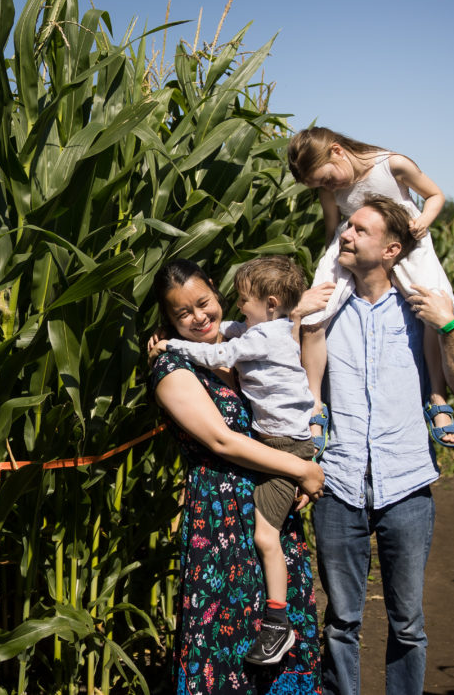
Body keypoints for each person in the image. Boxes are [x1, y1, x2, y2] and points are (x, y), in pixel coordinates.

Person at [310, 196, 454, 695]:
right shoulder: (325, 309)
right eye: (346, 226)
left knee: (407, 624)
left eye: (360, 229)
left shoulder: (422, 312)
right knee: (341, 623)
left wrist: (448, 326)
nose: (346, 235)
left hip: (406, 484)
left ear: (391, 249)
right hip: (338, 484)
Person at [148, 258, 327, 693]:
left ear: (215, 290)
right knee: (229, 641)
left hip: (268, 498)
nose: (198, 317)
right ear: (168, 320)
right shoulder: (172, 368)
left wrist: (293, 474)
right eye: (182, 314)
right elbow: (223, 442)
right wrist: (302, 469)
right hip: (222, 518)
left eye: (204, 303)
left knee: (278, 626)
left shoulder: (244, 340)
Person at [287, 126, 454, 450]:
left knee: (434, 309)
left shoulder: (392, 165)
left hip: (407, 237)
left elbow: (436, 195)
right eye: (320, 185)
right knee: (315, 315)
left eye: (326, 179)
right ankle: (314, 404)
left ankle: (437, 398)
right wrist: (329, 266)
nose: (327, 186)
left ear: (337, 151)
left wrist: (425, 218)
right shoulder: (330, 191)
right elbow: (331, 228)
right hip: (356, 241)